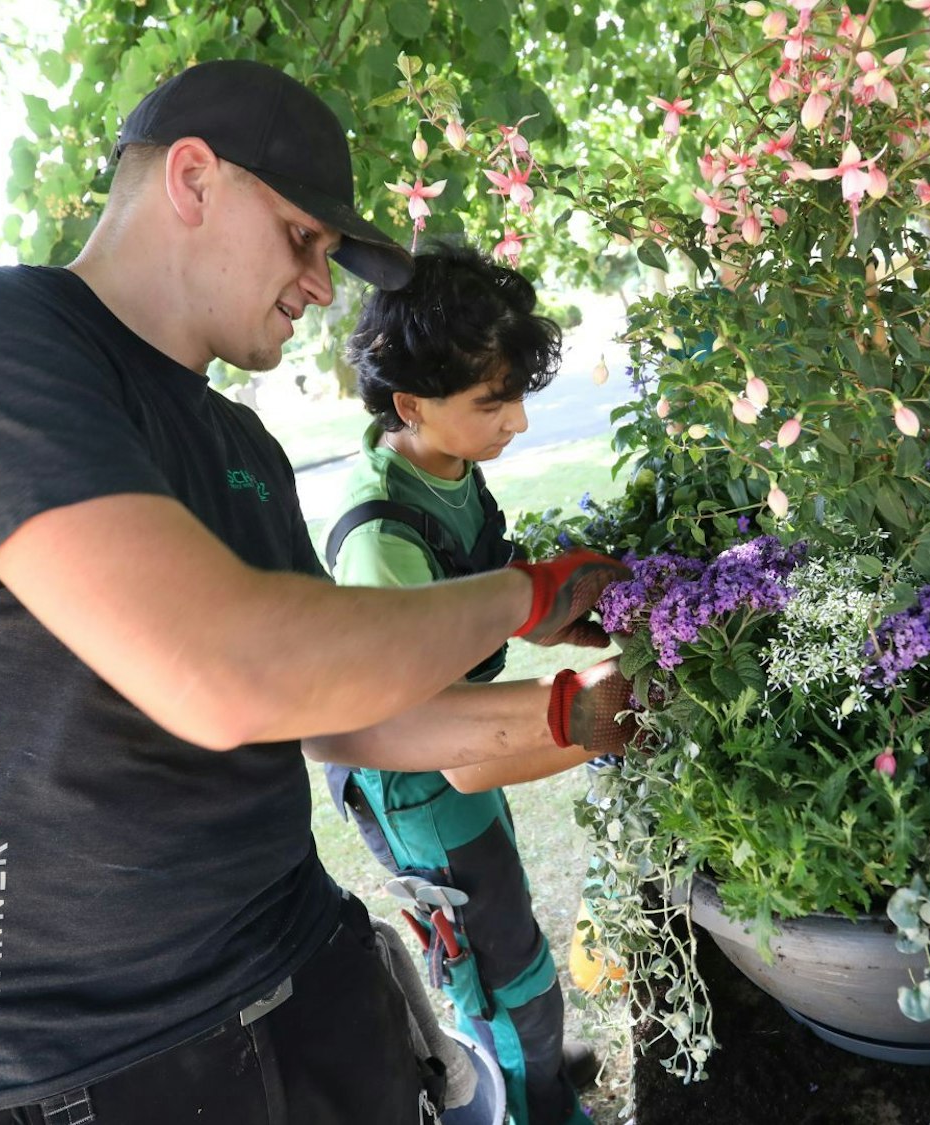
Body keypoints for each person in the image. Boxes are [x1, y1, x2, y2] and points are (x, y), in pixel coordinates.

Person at [0, 59, 633, 1125]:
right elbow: (228, 670)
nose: (318, 285)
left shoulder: (239, 442)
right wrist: (520, 596)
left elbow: (338, 709)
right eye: (302, 238)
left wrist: (582, 715)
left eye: (331, 256)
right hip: (46, 1064)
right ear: (192, 179)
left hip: (297, 969)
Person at [322, 245, 599, 1125]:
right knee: (504, 976)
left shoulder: (443, 467)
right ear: (410, 404)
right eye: (493, 401)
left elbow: (480, 595)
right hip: (417, 779)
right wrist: (603, 710)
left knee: (508, 939)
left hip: (451, 753)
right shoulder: (380, 534)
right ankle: (531, 1096)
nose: (516, 421)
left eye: (517, 392)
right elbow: (449, 740)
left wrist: (580, 605)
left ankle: (538, 1070)